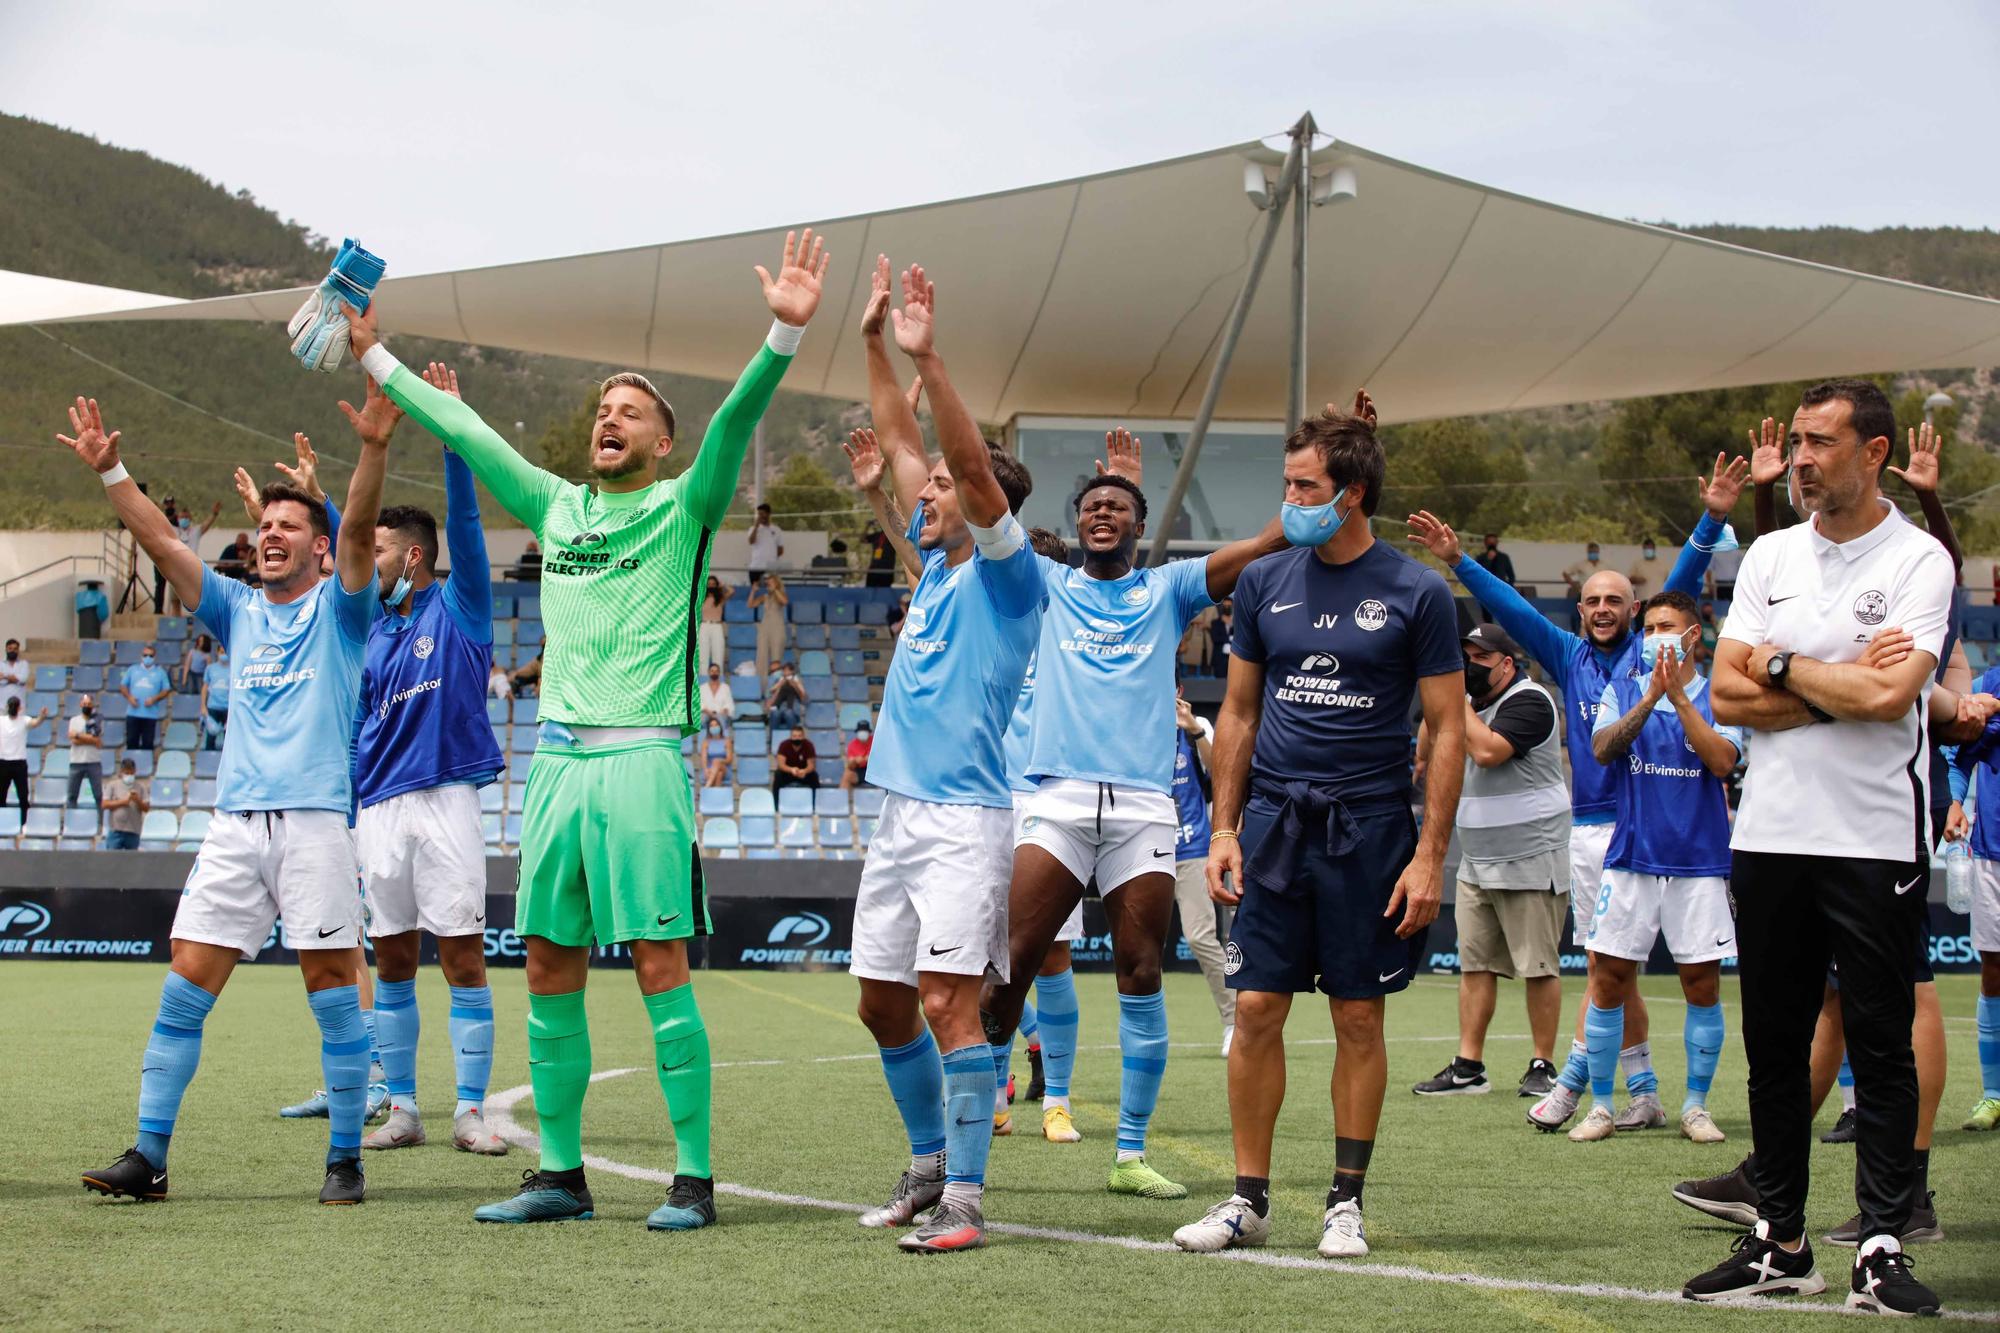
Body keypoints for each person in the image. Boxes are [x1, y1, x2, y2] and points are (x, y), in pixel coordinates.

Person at [347, 227, 825, 1231]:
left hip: (643, 763)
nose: (611, 419)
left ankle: (691, 1175)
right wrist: (373, 356)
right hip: (556, 766)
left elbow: (734, 425)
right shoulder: (557, 507)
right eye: (603, 409)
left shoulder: (683, 505)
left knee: (658, 968)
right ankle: (559, 1174)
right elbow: (467, 431)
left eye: (631, 412)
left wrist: (779, 336)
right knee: (550, 964)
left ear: (659, 440)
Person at [71, 375, 390, 1207]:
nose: (270, 535)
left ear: (321, 549)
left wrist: (374, 447)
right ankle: (149, 1156)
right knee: (185, 982)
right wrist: (113, 473)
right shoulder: (238, 607)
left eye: (288, 527)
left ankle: (345, 1158)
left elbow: (358, 524)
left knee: (331, 992)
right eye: (263, 527)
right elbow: (165, 546)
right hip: (235, 827)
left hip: (317, 825)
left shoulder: (343, 611)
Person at [1682, 380, 1953, 1314]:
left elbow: (1891, 700)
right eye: (1797, 440)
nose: (1800, 457)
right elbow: (1723, 694)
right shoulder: (1768, 554)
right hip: (1769, 836)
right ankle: (1781, 1242)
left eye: (1821, 442)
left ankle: (1879, 1242)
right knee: (1772, 1047)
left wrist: (1784, 665)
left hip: (1875, 838)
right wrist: (1834, 682)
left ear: (1873, 453)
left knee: (1879, 1045)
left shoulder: (1920, 559)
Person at [1174, 399, 1464, 1261]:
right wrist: (1225, 828)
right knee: (1256, 1005)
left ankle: (1345, 1202)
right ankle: (1248, 1200)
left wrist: (1429, 855)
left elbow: (1447, 727)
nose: (1289, 500)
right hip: (1274, 826)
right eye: (1288, 482)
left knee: (1358, 1018)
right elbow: (1237, 712)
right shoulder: (1263, 581)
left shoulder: (1417, 590)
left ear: (1353, 494)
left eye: (1304, 485)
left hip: (1371, 829)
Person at [982, 394, 1283, 1207]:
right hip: (1059, 799)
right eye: (1090, 506)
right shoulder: (1043, 582)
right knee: (1010, 960)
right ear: (1076, 525)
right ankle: (969, 1139)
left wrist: (1333, 471)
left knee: (1141, 966)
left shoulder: (1169, 588)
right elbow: (984, 513)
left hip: (1148, 808)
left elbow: (1264, 545)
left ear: (1139, 525)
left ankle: (1129, 1152)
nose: (1102, 513)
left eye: (1116, 504)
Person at [1408, 459, 1739, 1128]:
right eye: (1591, 600)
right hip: (1588, 833)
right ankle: (1640, 1089)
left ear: (1635, 611)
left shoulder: (1640, 658)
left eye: (1615, 600)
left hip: (1644, 827)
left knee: (1610, 971)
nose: (1602, 609)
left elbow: (1677, 586)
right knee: (1606, 970)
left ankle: (1582, 1081)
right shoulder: (1567, 654)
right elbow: (1514, 612)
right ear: (1580, 609)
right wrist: (1460, 562)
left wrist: (1712, 518)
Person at [844, 254, 1042, 1254]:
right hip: (898, 813)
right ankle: (929, 1162)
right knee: (882, 1003)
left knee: (945, 1002)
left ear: (981, 500)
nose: (920, 494)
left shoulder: (1011, 581)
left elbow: (960, 465)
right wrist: (877, 343)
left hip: (966, 817)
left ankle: (965, 1197)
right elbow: (894, 435)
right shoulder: (933, 576)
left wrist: (935, 360)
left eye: (939, 489)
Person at [342, 362, 509, 1158]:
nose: (364, 560)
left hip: (446, 798)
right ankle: (403, 1105)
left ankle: (469, 1108)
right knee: (395, 955)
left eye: (376, 549)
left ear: (411, 557)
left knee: (464, 956)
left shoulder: (461, 603)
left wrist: (450, 439)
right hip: (378, 806)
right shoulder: (367, 625)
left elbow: (468, 532)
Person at [1565, 591, 1738, 1145]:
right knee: (1608, 980)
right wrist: (1649, 699)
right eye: (1651, 627)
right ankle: (1600, 1105)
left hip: (1699, 861)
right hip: (1632, 858)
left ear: (1692, 637)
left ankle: (1695, 1106)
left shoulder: (1721, 696)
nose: (1655, 635)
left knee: (1701, 985)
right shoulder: (1622, 688)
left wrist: (1679, 698)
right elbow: (1602, 749)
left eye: (1668, 627)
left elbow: (1721, 760)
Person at [1411, 625, 1567, 1099]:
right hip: (1478, 860)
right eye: (1466, 656)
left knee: (1538, 967)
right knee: (1475, 966)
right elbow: (1427, 745)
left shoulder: (1531, 700)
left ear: (1506, 662)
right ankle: (1468, 1066)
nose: (1471, 664)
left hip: (1530, 855)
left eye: (1481, 657)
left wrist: (1455, 699)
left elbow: (1487, 750)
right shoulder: (1473, 705)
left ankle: (1542, 1065)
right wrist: (1442, 708)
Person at [989, 525, 1088, 1145]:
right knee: (985, 955)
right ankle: (995, 1090)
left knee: (1052, 957)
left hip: (1052, 797)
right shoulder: (991, 617)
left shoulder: (1075, 634)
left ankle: (1058, 1100)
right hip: (989, 799)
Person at [1171, 685, 1233, 1053]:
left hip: (1191, 847)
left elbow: (1219, 770)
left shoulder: (1197, 727)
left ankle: (1234, 1019)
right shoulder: (1134, 726)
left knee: (1198, 936)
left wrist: (1192, 727)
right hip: (1145, 847)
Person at [0, 697, 45, 820]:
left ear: (20, 708)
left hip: (19, 763)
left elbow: (35, 723)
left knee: (23, 796)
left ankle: (24, 822)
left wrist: (42, 716)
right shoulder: (1, 721)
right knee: (1, 796)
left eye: (15, 705)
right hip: (3, 762)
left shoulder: (24, 720)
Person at [120, 646, 172, 752]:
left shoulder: (160, 672)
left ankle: (145, 767)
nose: (148, 657)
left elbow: (166, 690)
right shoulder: (132, 669)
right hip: (133, 714)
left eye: (151, 655)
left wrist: (154, 699)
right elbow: (123, 686)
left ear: (155, 657)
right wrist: (129, 697)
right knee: (131, 743)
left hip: (150, 715)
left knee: (148, 744)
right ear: (141, 656)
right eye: (145, 655)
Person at [66, 693, 105, 811]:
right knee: (72, 795)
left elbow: (98, 741)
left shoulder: (98, 720)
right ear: (80, 704)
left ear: (93, 705)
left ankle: (100, 823)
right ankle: (71, 823)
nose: (86, 705)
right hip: (76, 762)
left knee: (98, 795)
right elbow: (74, 741)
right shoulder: (74, 720)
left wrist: (78, 735)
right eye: (84, 703)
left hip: (94, 761)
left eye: (89, 704)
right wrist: (91, 739)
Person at [101, 757, 149, 850]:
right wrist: (123, 802)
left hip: (133, 831)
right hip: (116, 831)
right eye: (127, 773)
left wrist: (137, 800)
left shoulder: (141, 787)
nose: (129, 776)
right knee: (112, 860)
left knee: (131, 861)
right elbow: (104, 804)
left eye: (131, 773)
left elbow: (146, 808)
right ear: (121, 772)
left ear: (135, 771)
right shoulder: (112, 785)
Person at [749, 573, 789, 681]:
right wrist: (753, 591)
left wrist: (775, 589)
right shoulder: (764, 597)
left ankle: (775, 684)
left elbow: (784, 602)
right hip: (764, 628)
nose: (768, 584)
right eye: (768, 583)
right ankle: (761, 686)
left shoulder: (781, 594)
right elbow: (750, 604)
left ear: (776, 583)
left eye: (771, 582)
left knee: (776, 658)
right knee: (761, 657)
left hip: (777, 628)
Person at [698, 575, 731, 675]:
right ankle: (703, 678)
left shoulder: (720, 598)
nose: (711, 586)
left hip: (717, 626)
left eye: (713, 584)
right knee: (703, 655)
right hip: (704, 625)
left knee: (718, 653)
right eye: (708, 584)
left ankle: (719, 677)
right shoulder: (700, 598)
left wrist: (722, 585)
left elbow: (731, 591)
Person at [200, 646, 230, 750]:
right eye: (221, 652)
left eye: (225, 652)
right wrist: (203, 706)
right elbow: (205, 688)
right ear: (217, 652)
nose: (224, 655)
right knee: (210, 738)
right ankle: (208, 763)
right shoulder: (210, 668)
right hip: (213, 707)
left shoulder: (234, 668)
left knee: (229, 742)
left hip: (228, 709)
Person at [773, 724, 817, 791]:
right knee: (778, 774)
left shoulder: (809, 745)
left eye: (799, 736)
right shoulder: (784, 745)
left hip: (803, 773)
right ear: (790, 737)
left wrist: (805, 771)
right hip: (788, 772)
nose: (797, 738)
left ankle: (815, 800)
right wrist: (791, 770)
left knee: (814, 776)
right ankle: (776, 800)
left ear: (803, 736)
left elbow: (811, 765)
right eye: (794, 736)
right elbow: (781, 765)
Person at [747, 502, 785, 579]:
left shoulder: (777, 530)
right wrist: (756, 527)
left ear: (768, 514)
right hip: (756, 566)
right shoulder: (752, 529)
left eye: (762, 514)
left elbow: (780, 550)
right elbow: (751, 541)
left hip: (771, 568)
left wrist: (770, 556)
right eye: (759, 514)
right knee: (755, 589)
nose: (760, 516)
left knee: (771, 589)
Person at [767, 660, 807, 730]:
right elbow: (769, 704)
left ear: (792, 671)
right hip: (778, 712)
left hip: (793, 713)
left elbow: (805, 699)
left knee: (788, 713)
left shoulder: (796, 680)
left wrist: (795, 686)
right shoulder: (780, 681)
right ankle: (773, 739)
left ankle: (792, 739)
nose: (786, 673)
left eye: (788, 670)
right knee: (775, 713)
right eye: (784, 671)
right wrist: (779, 688)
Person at [864, 521, 899, 587]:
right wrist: (868, 526)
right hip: (874, 568)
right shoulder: (877, 535)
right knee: (870, 590)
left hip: (886, 569)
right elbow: (862, 539)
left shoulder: (893, 536)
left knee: (884, 591)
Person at [701, 717, 733, 788]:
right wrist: (706, 770)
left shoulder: (727, 741)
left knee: (716, 762)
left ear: (720, 727)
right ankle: (716, 796)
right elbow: (704, 759)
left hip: (725, 768)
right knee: (719, 774)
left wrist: (720, 761)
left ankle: (706, 787)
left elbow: (729, 759)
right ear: (709, 729)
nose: (714, 727)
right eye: (712, 726)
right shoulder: (706, 742)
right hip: (709, 769)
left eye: (716, 725)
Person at [841, 721, 873, 790]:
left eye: (865, 731)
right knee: (847, 775)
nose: (863, 733)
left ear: (869, 732)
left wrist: (870, 759)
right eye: (861, 731)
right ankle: (842, 799)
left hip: (874, 771)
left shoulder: (875, 741)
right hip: (859, 771)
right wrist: (855, 761)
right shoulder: (852, 745)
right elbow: (850, 766)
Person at [0, 639, 27, 712]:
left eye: (15, 649)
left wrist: (5, 677)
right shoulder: (0, 664)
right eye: (10, 648)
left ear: (18, 650)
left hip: (20, 707)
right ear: (6, 649)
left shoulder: (24, 664)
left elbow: (23, 679)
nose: (12, 651)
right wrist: (15, 678)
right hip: (2, 706)